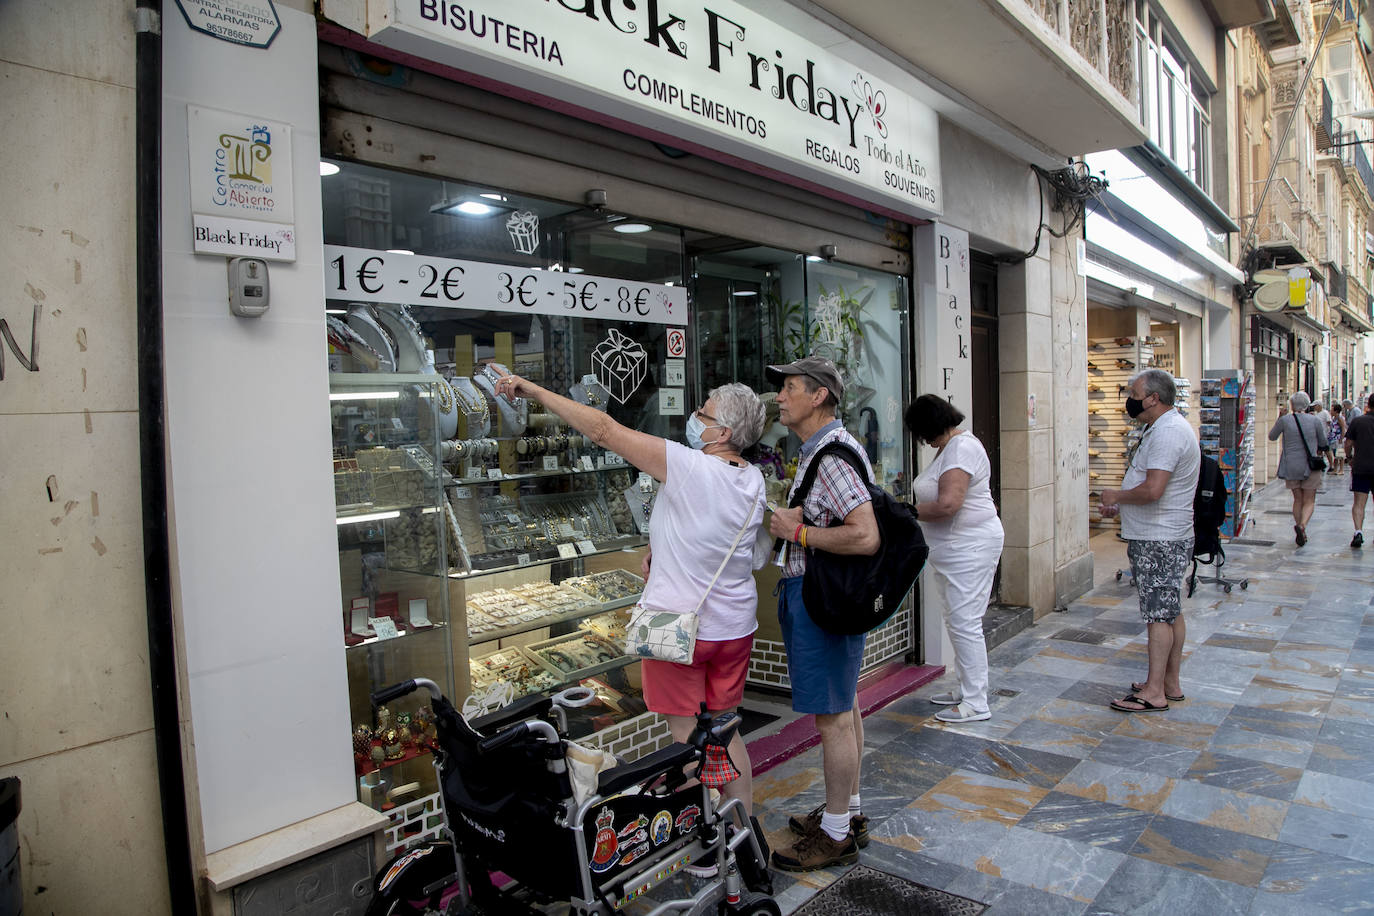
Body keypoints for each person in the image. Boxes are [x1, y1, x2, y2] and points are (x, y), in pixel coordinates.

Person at [492, 372, 769, 823]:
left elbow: (604, 430)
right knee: (724, 729)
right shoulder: (752, 478)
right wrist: (662, 549)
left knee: (685, 740)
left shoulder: (689, 466)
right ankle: (743, 834)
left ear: (722, 433)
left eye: (703, 414)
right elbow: (713, 534)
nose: (694, 417)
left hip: (679, 631)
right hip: (734, 629)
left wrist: (537, 392)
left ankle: (698, 840)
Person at [764, 356, 879, 872]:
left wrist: (798, 532)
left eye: (790, 388)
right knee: (844, 706)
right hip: (824, 598)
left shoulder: (830, 457)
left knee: (832, 718)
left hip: (821, 601)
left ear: (819, 397)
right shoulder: (824, 451)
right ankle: (847, 814)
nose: (780, 397)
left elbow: (864, 534)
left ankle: (834, 836)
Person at [1098, 369, 1200, 713]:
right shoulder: (1165, 428)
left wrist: (1117, 496)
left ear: (1153, 398)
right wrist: (1123, 504)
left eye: (1134, 394)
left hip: (1159, 539)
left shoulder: (1168, 433)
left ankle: (1155, 692)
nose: (1130, 399)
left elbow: (1154, 490)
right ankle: (1169, 683)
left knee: (1158, 615)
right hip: (1165, 535)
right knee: (1169, 611)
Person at [905, 395, 1004, 724]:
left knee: (965, 623)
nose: (922, 440)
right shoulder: (950, 447)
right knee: (957, 620)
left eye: (921, 432)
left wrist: (907, 512)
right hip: (954, 550)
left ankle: (976, 702)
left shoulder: (961, 448)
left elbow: (948, 504)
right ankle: (966, 688)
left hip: (969, 549)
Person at [1269, 391, 1327, 546]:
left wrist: (1280, 417)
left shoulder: (1285, 420)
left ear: (1292, 405)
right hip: (1310, 465)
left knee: (1297, 499)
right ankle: (1302, 526)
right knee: (1309, 500)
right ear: (1307, 405)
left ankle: (1300, 528)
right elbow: (1323, 442)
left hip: (1291, 465)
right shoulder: (1315, 421)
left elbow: (1272, 436)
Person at [1343, 394, 1374, 548]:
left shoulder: (1358, 421)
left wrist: (1349, 457)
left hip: (1361, 467)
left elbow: (1348, 443)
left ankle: (1358, 532)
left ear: (1369, 404)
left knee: (1359, 502)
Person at [1329, 403, 1348, 475]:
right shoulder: (1334, 418)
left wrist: (1341, 439)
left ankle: (1341, 470)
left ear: (1336, 411)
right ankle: (1335, 469)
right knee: (1335, 455)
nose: (1330, 411)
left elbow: (1343, 429)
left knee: (1340, 454)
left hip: (1338, 438)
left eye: (1332, 410)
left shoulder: (1340, 418)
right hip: (1334, 439)